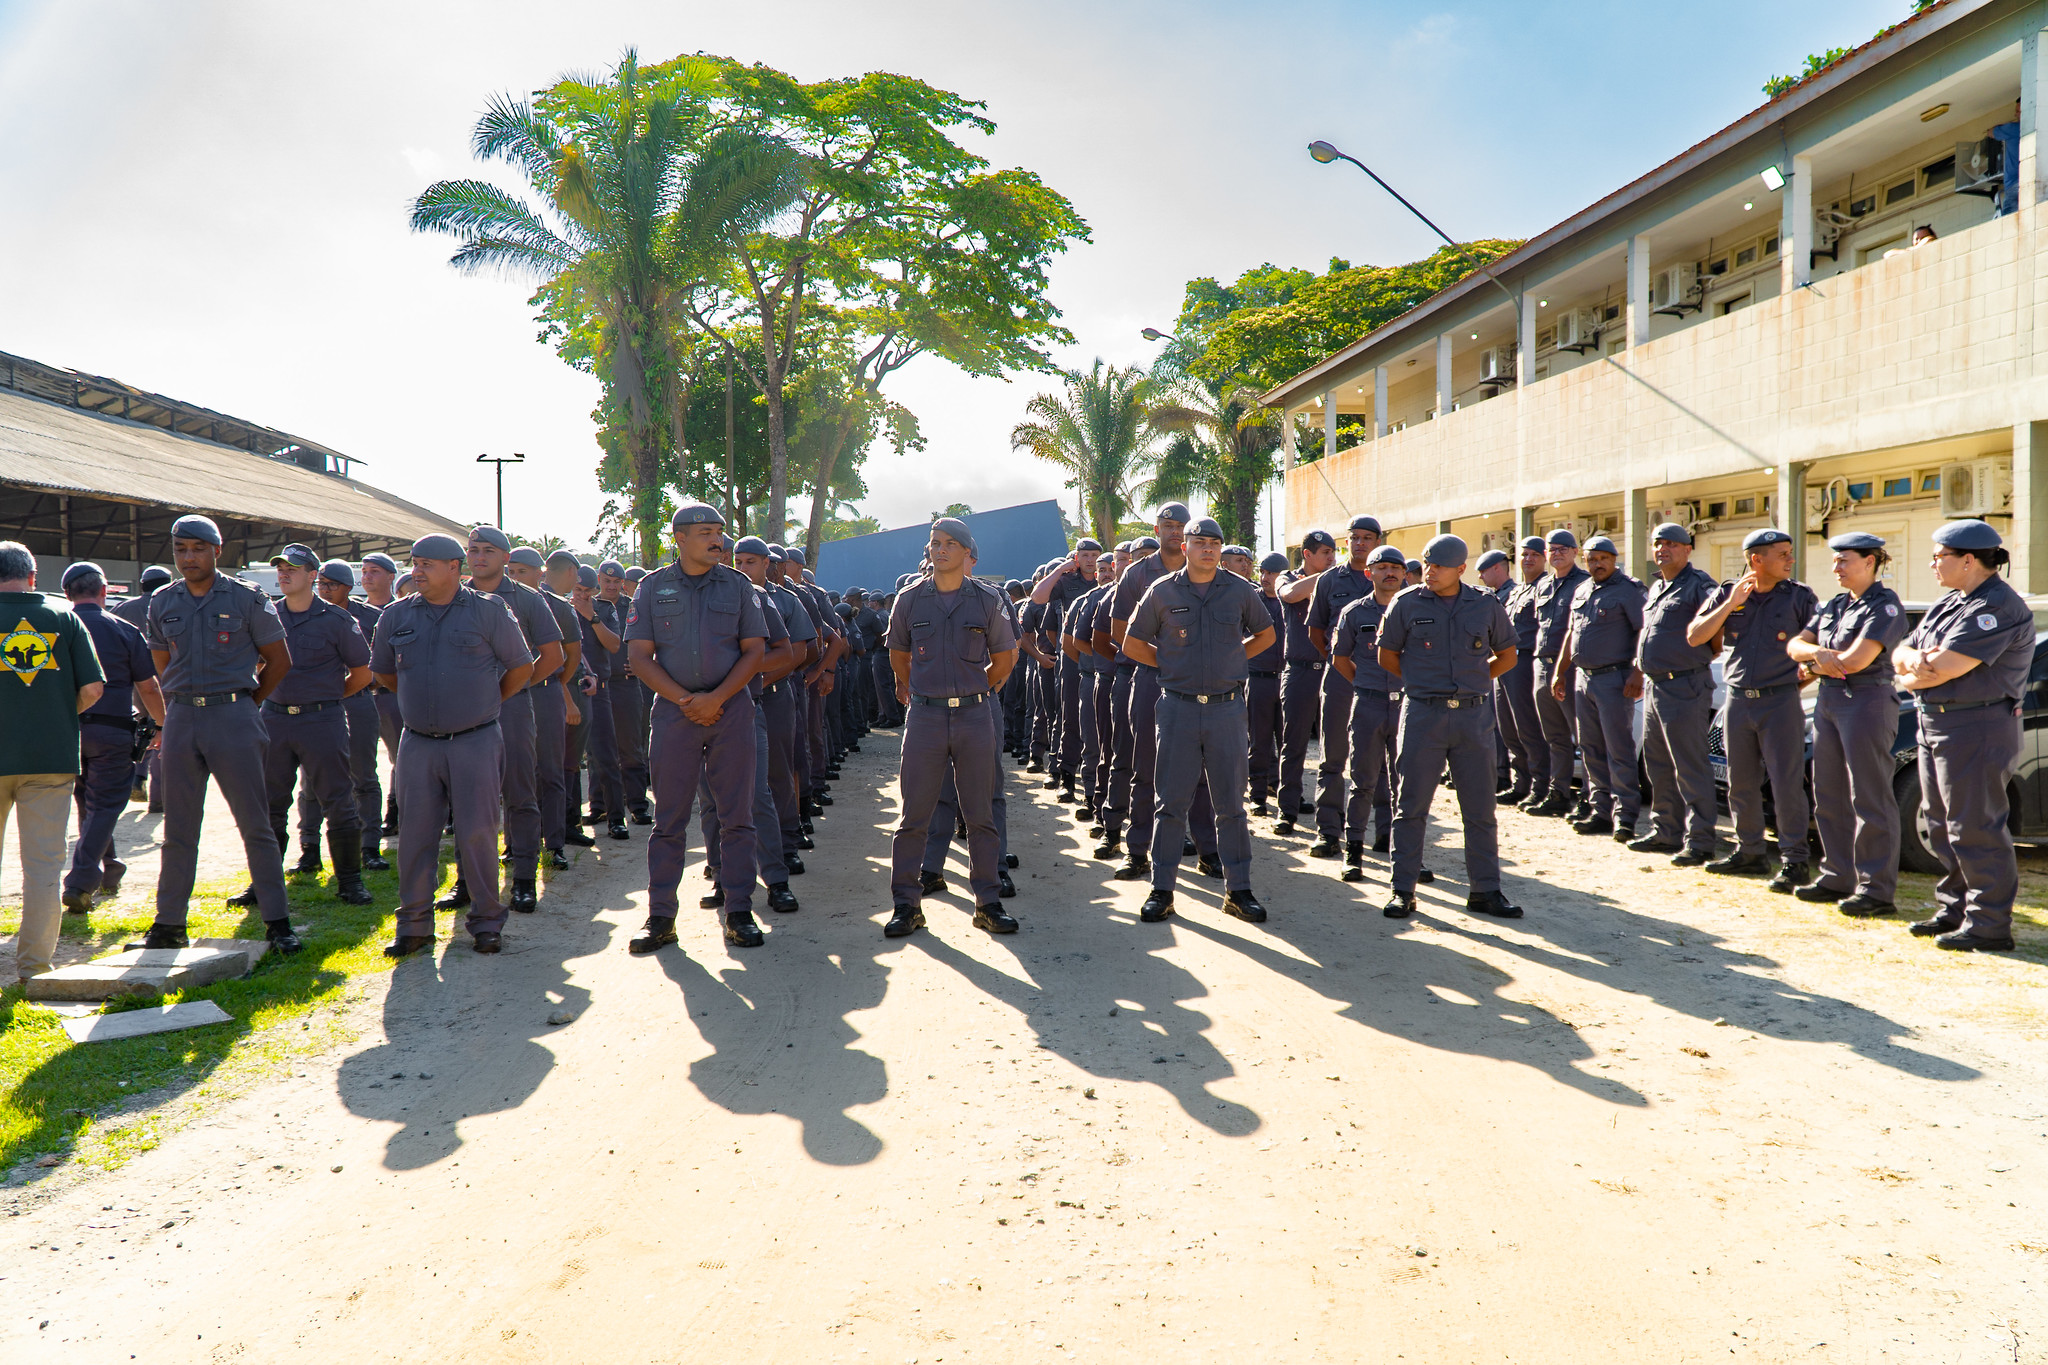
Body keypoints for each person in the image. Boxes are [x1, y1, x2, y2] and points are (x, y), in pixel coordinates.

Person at [137, 516, 299, 953]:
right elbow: (160, 658)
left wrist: (248, 702)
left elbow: (278, 660)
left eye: (197, 548)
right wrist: (179, 703)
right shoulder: (162, 602)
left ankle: (278, 922)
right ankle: (169, 923)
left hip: (234, 717)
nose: (188, 558)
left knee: (255, 824)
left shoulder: (247, 598)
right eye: (180, 550)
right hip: (183, 720)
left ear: (216, 550)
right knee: (178, 829)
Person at [371, 534, 534, 956]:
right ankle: (415, 925)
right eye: (414, 562)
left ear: (455, 568)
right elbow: (386, 674)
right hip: (418, 743)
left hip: (475, 740)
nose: (416, 571)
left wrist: (486, 702)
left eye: (427, 563)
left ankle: (485, 921)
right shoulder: (395, 615)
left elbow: (521, 667)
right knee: (415, 836)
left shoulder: (489, 611)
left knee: (479, 833)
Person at [626, 503, 769, 953]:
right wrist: (686, 701)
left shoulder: (738, 586)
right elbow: (638, 657)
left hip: (731, 713)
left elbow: (753, 651)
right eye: (706, 532)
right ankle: (661, 918)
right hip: (674, 715)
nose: (718, 541)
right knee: (668, 821)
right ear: (680, 538)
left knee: (737, 818)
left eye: (720, 533)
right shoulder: (652, 589)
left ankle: (739, 911)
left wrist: (716, 699)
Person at [1122, 516, 1276, 924]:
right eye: (1200, 541)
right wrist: (1170, 664)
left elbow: (1266, 634)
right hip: (1178, 708)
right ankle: (1162, 890)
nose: (1208, 548)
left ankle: (1238, 890)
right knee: (1170, 804)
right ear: (1184, 546)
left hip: (1226, 709)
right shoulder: (1162, 590)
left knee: (1231, 806)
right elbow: (1132, 642)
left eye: (1215, 542)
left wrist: (1234, 658)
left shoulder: (1240, 590)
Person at [1891, 520, 2034, 951]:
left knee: (1975, 826)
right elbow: (1901, 651)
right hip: (1936, 721)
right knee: (1940, 824)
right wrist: (1916, 662)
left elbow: (1947, 668)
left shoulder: (1997, 607)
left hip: (1977, 726)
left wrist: (1915, 669)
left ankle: (1989, 924)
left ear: (1968, 560)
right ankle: (1955, 908)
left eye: (1939, 556)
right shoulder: (1950, 602)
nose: (1933, 563)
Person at [883, 518, 1019, 938]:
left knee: (980, 813)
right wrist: (921, 691)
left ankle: (987, 902)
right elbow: (899, 657)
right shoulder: (908, 599)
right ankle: (907, 905)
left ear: (966, 552)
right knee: (913, 815)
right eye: (935, 543)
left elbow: (1006, 656)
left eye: (949, 544)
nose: (939, 550)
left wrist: (981, 689)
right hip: (925, 715)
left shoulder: (987, 599)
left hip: (975, 714)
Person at [1374, 534, 1522, 920]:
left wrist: (1474, 682)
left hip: (1473, 717)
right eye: (1426, 564)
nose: (1429, 572)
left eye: (1438, 566)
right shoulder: (1406, 604)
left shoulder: (1485, 605)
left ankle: (1486, 891)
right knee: (1411, 806)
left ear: (1460, 569)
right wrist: (1422, 684)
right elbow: (1387, 655)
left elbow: (1507, 655)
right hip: (1424, 715)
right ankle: (1402, 890)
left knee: (1479, 809)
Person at [1687, 527, 1819, 891]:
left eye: (1791, 553)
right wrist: (1730, 604)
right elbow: (1695, 636)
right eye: (1783, 554)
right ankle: (1750, 853)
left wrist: (1794, 684)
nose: (1790, 560)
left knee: (1786, 783)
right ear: (1756, 560)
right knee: (1740, 782)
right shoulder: (1727, 593)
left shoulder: (1799, 597)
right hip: (1738, 701)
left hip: (1779, 702)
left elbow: (1820, 646)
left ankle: (1795, 861)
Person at [244, 543, 373, 907]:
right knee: (269, 804)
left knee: (339, 802)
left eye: (294, 569)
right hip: (275, 720)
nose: (284, 573)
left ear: (313, 575)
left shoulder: (337, 619)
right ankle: (263, 884)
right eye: (281, 568)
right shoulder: (266, 615)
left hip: (322, 719)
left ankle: (349, 881)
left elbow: (363, 673)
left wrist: (329, 696)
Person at [1788, 532, 1910, 917]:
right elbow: (1794, 645)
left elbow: (1856, 661)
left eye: (1845, 560)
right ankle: (1837, 875)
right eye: (1835, 560)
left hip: (1866, 700)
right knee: (1829, 792)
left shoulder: (1885, 606)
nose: (1836, 567)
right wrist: (1819, 655)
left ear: (1871, 562)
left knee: (1869, 796)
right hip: (1830, 699)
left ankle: (1876, 890)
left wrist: (1815, 660)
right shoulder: (1837, 604)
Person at [2, 543, 105, 984]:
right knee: (44, 866)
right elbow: (94, 688)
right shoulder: (64, 616)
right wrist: (54, 715)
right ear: (33, 574)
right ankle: (34, 969)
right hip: (50, 758)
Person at [456, 526, 564, 915]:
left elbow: (553, 657)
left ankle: (522, 880)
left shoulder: (529, 600)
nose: (479, 556)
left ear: (505, 558)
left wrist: (511, 688)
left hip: (513, 708)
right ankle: (466, 882)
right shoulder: (452, 595)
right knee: (468, 797)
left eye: (488, 550)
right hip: (464, 711)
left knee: (520, 792)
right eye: (473, 550)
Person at [60, 561, 162, 914]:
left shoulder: (58, 630)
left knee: (87, 802)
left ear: (66, 594)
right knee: (104, 806)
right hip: (112, 731)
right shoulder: (124, 629)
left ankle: (110, 869)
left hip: (67, 731)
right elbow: (148, 686)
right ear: (104, 591)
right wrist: (162, 725)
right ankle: (80, 881)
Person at [1105, 509, 1194, 878]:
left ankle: (1204, 847)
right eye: (1168, 526)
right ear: (1157, 530)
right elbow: (1119, 632)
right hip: (1150, 678)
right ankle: (1138, 850)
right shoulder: (1137, 574)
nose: (1174, 533)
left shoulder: (1204, 570)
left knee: (1195, 770)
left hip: (1194, 684)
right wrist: (1165, 660)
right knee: (1144, 766)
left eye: (1181, 527)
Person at [1630, 523, 1721, 863]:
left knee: (1689, 765)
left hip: (1685, 685)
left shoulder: (1700, 586)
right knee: (1657, 764)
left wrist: (1688, 662)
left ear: (1687, 549)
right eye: (1657, 543)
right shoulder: (1657, 586)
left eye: (1671, 543)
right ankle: (1666, 831)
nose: (1662, 548)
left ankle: (1700, 841)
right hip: (1655, 685)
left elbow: (1715, 636)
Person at [295, 559, 390, 871]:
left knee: (363, 775)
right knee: (310, 781)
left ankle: (369, 846)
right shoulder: (302, 614)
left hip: (359, 700)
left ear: (349, 587)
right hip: (316, 706)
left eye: (331, 585)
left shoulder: (372, 617)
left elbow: (379, 664)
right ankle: (309, 849)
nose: (324, 590)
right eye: (321, 584)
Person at [1552, 535, 1646, 840]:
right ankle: (1600, 811)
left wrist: (1637, 671)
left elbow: (1643, 632)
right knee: (1590, 748)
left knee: (1618, 749)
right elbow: (1571, 633)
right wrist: (1559, 672)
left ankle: (1625, 815)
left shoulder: (1628, 591)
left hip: (1614, 679)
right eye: (1592, 559)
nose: (1597, 564)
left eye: (1603, 558)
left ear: (1614, 559)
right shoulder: (1582, 588)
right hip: (1583, 679)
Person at [1329, 544, 1408, 880]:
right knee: (1363, 782)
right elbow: (1340, 659)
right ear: (1369, 573)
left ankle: (1406, 857)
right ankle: (1354, 854)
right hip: (1369, 705)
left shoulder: (1418, 607)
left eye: (1396, 567)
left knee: (1407, 785)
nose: (1389, 572)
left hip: (1408, 705)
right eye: (1382, 567)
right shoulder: (1354, 612)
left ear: (1405, 574)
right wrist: (1364, 683)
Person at [1306, 515, 1383, 858]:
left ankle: (1384, 833)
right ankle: (1329, 832)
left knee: (1382, 760)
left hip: (1381, 680)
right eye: (1355, 537)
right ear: (1347, 541)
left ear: (1378, 541)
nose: (1361, 543)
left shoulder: (1392, 574)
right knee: (1333, 756)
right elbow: (1316, 629)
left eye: (1368, 537)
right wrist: (1341, 662)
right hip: (1339, 677)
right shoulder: (1328, 580)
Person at [508, 546, 582, 869]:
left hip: (545, 692)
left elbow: (571, 657)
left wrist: (549, 683)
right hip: (508, 695)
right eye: (512, 571)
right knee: (514, 774)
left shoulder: (558, 608)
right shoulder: (496, 605)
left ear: (540, 573)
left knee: (551, 771)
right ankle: (515, 844)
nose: (515, 577)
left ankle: (554, 844)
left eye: (522, 571)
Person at [1274, 530, 1338, 831]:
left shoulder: (1339, 579)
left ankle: (1331, 812)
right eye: (1325, 552)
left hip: (1333, 670)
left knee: (1333, 746)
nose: (1332, 558)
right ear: (1307, 554)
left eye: (1334, 552)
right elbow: (1290, 595)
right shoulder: (1287, 577)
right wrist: (1329, 577)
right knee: (1294, 744)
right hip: (1299, 670)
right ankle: (1286, 810)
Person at [558, 559, 620, 848]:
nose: (582, 596)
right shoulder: (560, 609)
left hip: (601, 691)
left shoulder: (604, 609)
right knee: (568, 761)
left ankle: (616, 817)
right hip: (571, 690)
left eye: (588, 591)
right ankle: (570, 819)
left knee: (605, 756)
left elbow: (614, 645)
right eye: (578, 590)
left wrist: (592, 617)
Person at [1526, 529, 1588, 818]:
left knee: (1583, 736)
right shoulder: (1543, 586)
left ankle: (1590, 796)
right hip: (1542, 665)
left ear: (1576, 552)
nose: (1557, 553)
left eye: (1564, 548)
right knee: (1555, 737)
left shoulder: (1584, 583)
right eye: (1552, 549)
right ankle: (1558, 792)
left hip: (1571, 668)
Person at [113, 563, 172, 809]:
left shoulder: (122, 608)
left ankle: (137, 776)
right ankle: (159, 797)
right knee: (165, 730)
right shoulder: (173, 604)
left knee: (143, 731)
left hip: (135, 682)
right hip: (169, 679)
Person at [358, 551, 403, 838]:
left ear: (390, 576)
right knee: (359, 762)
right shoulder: (352, 611)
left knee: (402, 759)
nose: (367, 576)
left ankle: (395, 813)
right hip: (359, 696)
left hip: (391, 694)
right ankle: (364, 823)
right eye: (364, 571)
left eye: (374, 571)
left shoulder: (402, 611)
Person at [1500, 537, 1547, 807]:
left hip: (1527, 663)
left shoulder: (1544, 588)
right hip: (1507, 664)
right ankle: (1521, 782)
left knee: (1528, 728)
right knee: (1509, 729)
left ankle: (1540, 786)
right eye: (1524, 554)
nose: (1528, 559)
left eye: (1534, 555)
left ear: (1544, 558)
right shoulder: (1518, 590)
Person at [1476, 549, 1522, 796]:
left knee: (1509, 726)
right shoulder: (1492, 596)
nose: (1481, 578)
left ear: (1497, 568)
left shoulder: (1514, 594)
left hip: (1509, 666)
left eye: (1483, 571)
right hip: (1492, 666)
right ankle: (1500, 773)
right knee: (1496, 724)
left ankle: (1508, 776)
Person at [1246, 552, 1288, 816]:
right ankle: (1258, 795)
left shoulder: (1293, 602)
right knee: (1258, 742)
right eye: (1262, 572)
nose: (1265, 578)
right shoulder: (1251, 601)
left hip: (1285, 680)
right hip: (1258, 680)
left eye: (1271, 573)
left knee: (1288, 743)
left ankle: (1286, 795)